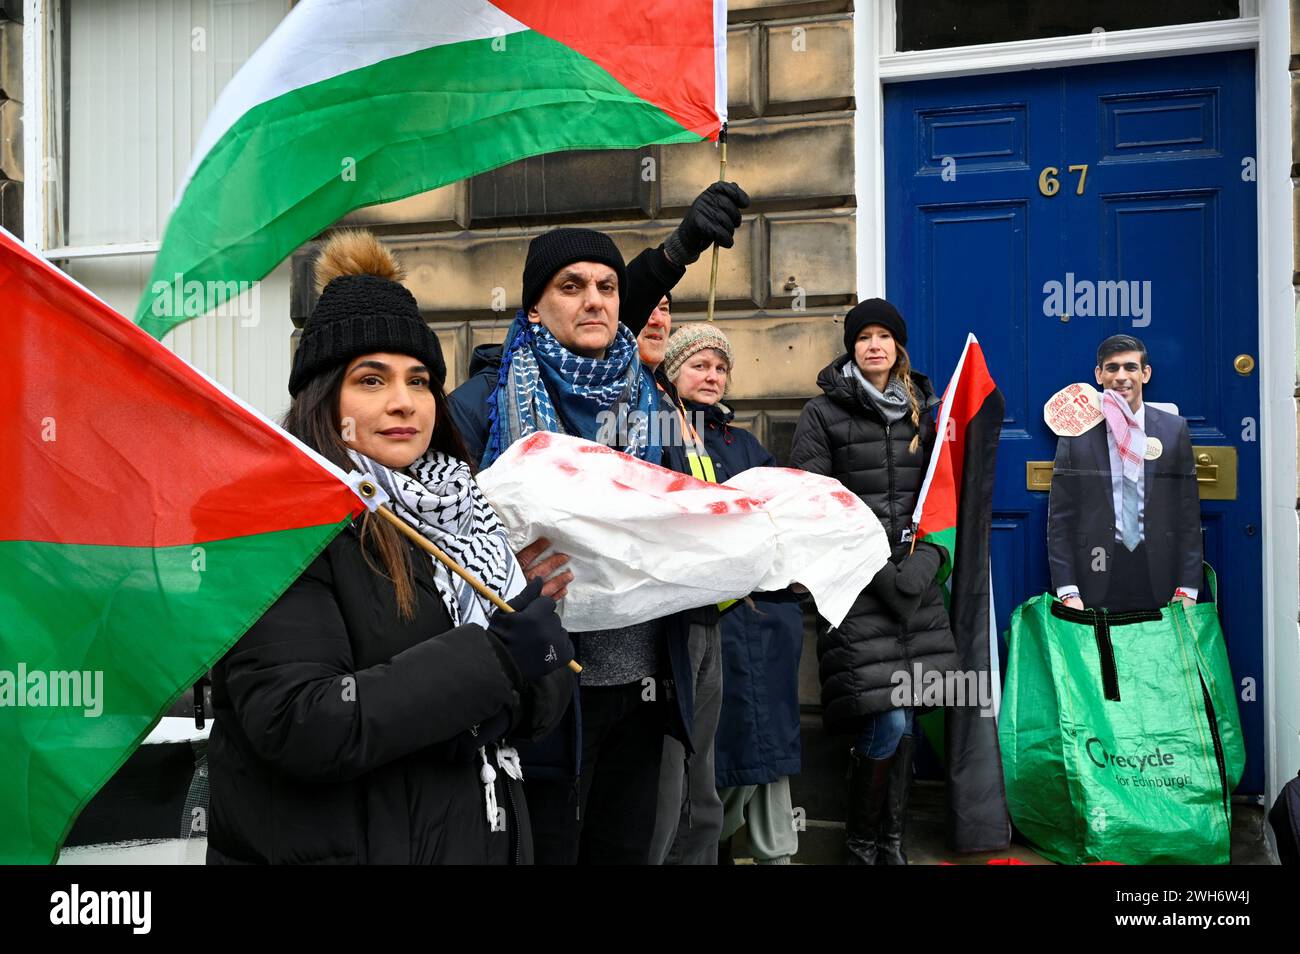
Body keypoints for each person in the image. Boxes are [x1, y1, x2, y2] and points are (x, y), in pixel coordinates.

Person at [206, 230, 575, 865]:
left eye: (420, 380)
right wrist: (493, 660)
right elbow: (305, 721)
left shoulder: (463, 515)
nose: (404, 403)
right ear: (325, 398)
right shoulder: (277, 525)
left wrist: (538, 647)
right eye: (371, 380)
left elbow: (534, 712)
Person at [448, 183, 752, 865]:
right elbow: (444, 545)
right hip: (540, 689)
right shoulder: (479, 408)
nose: (594, 299)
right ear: (533, 305)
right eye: (571, 285)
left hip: (646, 685)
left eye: (608, 287)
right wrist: (505, 572)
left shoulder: (651, 400)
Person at [788, 298, 960, 865]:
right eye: (864, 337)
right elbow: (815, 500)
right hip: (856, 583)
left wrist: (929, 562)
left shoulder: (927, 410)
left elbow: (945, 496)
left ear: (899, 346)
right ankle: (861, 845)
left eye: (885, 336)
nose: (874, 345)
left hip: (916, 584)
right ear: (852, 347)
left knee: (907, 713)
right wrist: (876, 568)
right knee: (884, 716)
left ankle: (891, 843)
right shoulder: (823, 413)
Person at [654, 324, 804, 865]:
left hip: (762, 625)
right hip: (700, 626)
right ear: (672, 373)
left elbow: (779, 513)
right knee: (708, 765)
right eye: (699, 365)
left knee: (767, 759)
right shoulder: (657, 436)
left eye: (720, 367)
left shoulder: (744, 444)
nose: (712, 375)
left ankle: (774, 855)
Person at [1047, 334, 1202, 613]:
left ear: (1145, 374)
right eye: (1112, 367)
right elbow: (1060, 519)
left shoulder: (1173, 429)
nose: (1121, 376)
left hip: (1158, 572)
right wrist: (1068, 590)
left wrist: (1188, 587)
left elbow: (1187, 514)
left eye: (1130, 367)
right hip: (1096, 570)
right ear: (1099, 374)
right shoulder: (1076, 433)